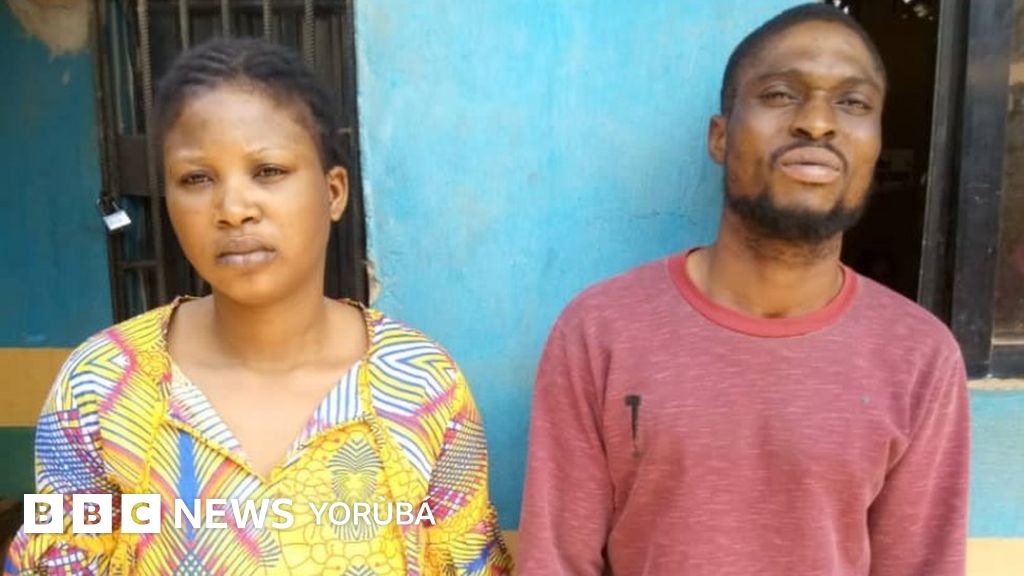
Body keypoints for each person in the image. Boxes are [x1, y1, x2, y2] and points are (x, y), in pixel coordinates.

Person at [5, 38, 512, 575]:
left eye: (268, 170)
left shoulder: (422, 387)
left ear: (334, 192)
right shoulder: (100, 386)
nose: (233, 209)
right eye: (196, 178)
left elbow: (468, 561)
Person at [518, 4, 969, 575]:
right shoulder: (600, 331)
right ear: (720, 137)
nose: (817, 123)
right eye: (780, 94)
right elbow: (556, 562)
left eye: (853, 103)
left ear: (876, 146)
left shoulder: (919, 357)